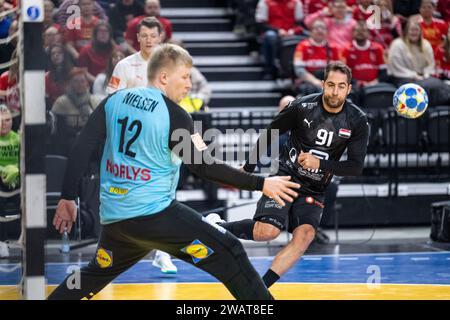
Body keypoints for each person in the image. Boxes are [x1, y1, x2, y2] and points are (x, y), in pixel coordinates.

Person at [47, 43, 300, 300]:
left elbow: (81, 148)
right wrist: (261, 184)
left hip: (116, 220)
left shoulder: (113, 101)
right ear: (164, 77)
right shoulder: (175, 115)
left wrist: (67, 196)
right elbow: (203, 166)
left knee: (92, 275)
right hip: (153, 215)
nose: (190, 84)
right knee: (230, 249)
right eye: (186, 76)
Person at [207, 62, 369, 288]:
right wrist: (248, 168)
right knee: (268, 232)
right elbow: (271, 130)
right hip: (286, 177)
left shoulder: (357, 119)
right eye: (330, 85)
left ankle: (260, 289)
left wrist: (319, 163)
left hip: (315, 188)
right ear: (322, 84)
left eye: (341, 86)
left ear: (349, 89)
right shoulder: (302, 106)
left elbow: (355, 166)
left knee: (304, 237)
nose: (334, 91)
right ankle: (217, 226)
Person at [388, 17, 450, 106]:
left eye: (416, 30)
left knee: (439, 84)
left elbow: (430, 64)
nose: (414, 32)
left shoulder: (426, 44)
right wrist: (413, 75)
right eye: (411, 30)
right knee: (422, 88)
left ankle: (439, 114)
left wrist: (426, 73)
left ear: (420, 31)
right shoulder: (397, 44)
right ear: (406, 31)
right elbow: (396, 67)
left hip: (423, 77)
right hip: (402, 77)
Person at [106, 17, 162, 93]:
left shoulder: (171, 66)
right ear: (138, 37)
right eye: (144, 36)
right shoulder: (123, 65)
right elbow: (111, 94)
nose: (148, 40)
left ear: (159, 38)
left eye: (153, 36)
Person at [255, 0, 304, 79]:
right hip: (273, 32)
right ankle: (270, 68)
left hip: (291, 32)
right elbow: (261, 24)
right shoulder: (265, 2)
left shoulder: (296, 2)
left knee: (305, 37)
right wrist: (278, 31)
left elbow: (300, 23)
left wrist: (292, 31)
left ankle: (295, 71)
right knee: (270, 36)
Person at [293, 19, 341, 95]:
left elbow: (338, 69)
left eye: (322, 28)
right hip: (309, 81)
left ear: (327, 32)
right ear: (311, 31)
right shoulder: (302, 46)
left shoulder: (333, 47)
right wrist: (315, 81)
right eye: (316, 28)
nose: (320, 30)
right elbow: (299, 70)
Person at [0, 105, 20, 258]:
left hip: (17, 182)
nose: (3, 124)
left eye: (7, 120)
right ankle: (2, 243)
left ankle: (27, 240)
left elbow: (27, 162)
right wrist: (3, 171)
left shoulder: (18, 139)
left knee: (29, 202)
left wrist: (16, 170)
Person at [342, 21, 387, 87]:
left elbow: (383, 72)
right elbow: (344, 74)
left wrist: (375, 82)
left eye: (363, 30)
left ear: (369, 34)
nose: (360, 32)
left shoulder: (378, 48)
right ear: (353, 33)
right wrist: (359, 83)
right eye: (357, 30)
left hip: (375, 84)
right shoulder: (346, 50)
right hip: (355, 86)